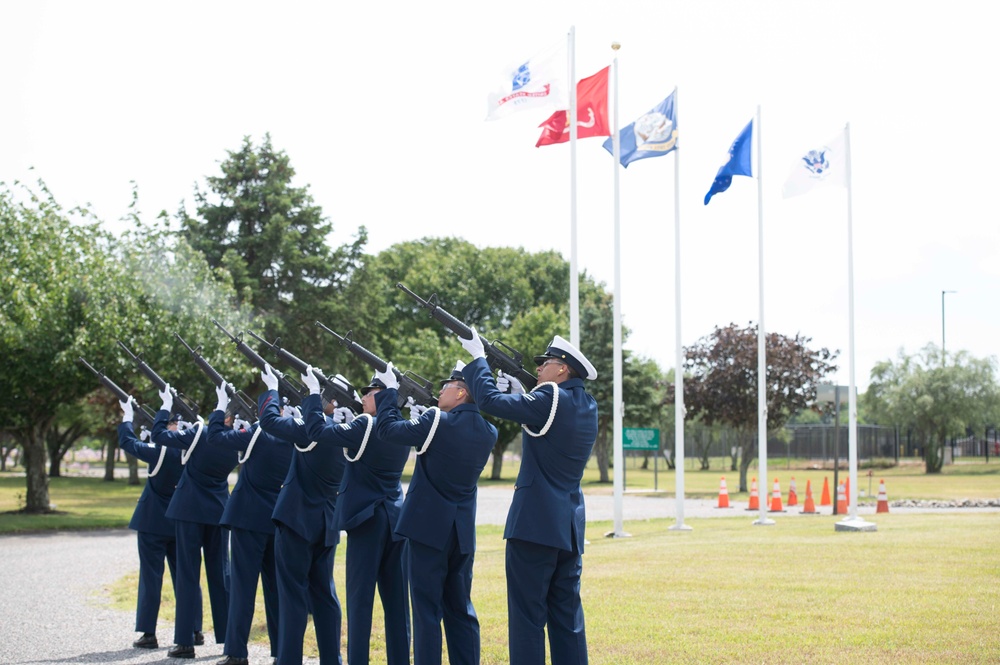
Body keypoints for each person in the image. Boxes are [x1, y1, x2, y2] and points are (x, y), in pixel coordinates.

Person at [460, 333, 598, 665]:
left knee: (527, 619)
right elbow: (545, 428)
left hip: (534, 524)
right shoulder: (586, 405)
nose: (538, 370)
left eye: (545, 364)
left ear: (562, 370)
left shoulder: (550, 396)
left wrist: (478, 359)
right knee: (567, 621)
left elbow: (490, 402)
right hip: (568, 527)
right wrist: (521, 395)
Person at [372, 360, 498, 665]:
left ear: (461, 393)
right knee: (460, 609)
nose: (440, 392)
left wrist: (389, 392)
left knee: (426, 611)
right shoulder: (489, 430)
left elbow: (387, 429)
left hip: (427, 530)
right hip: (461, 532)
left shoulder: (436, 421)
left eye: (446, 387)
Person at [301, 368, 411, 665]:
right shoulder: (401, 427)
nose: (363, 398)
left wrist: (312, 394)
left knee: (360, 603)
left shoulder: (365, 425)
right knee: (398, 605)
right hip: (394, 517)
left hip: (366, 520)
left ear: (388, 396)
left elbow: (316, 432)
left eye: (370, 393)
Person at [256, 364, 345, 665]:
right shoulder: (351, 432)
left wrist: (271, 388)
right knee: (325, 595)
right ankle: (331, 659)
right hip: (327, 523)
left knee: (292, 597)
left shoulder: (312, 430)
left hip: (296, 521)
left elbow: (268, 420)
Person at [207, 383, 293, 665]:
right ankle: (282, 651)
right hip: (278, 519)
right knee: (276, 590)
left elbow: (216, 438)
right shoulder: (295, 436)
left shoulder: (259, 433)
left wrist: (220, 408)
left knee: (243, 587)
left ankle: (236, 652)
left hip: (248, 517)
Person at [152, 383, 238, 659]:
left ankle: (186, 641)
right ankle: (228, 639)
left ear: (225, 416)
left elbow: (159, 435)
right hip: (218, 510)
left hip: (189, 510)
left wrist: (165, 407)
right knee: (220, 575)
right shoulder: (236, 440)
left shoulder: (200, 433)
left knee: (188, 575)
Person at [117, 398, 204, 651]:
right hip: (181, 521)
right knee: (187, 578)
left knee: (151, 578)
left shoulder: (159, 450)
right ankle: (194, 629)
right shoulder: (191, 451)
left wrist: (127, 417)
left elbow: (126, 442)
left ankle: (148, 633)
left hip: (153, 521)